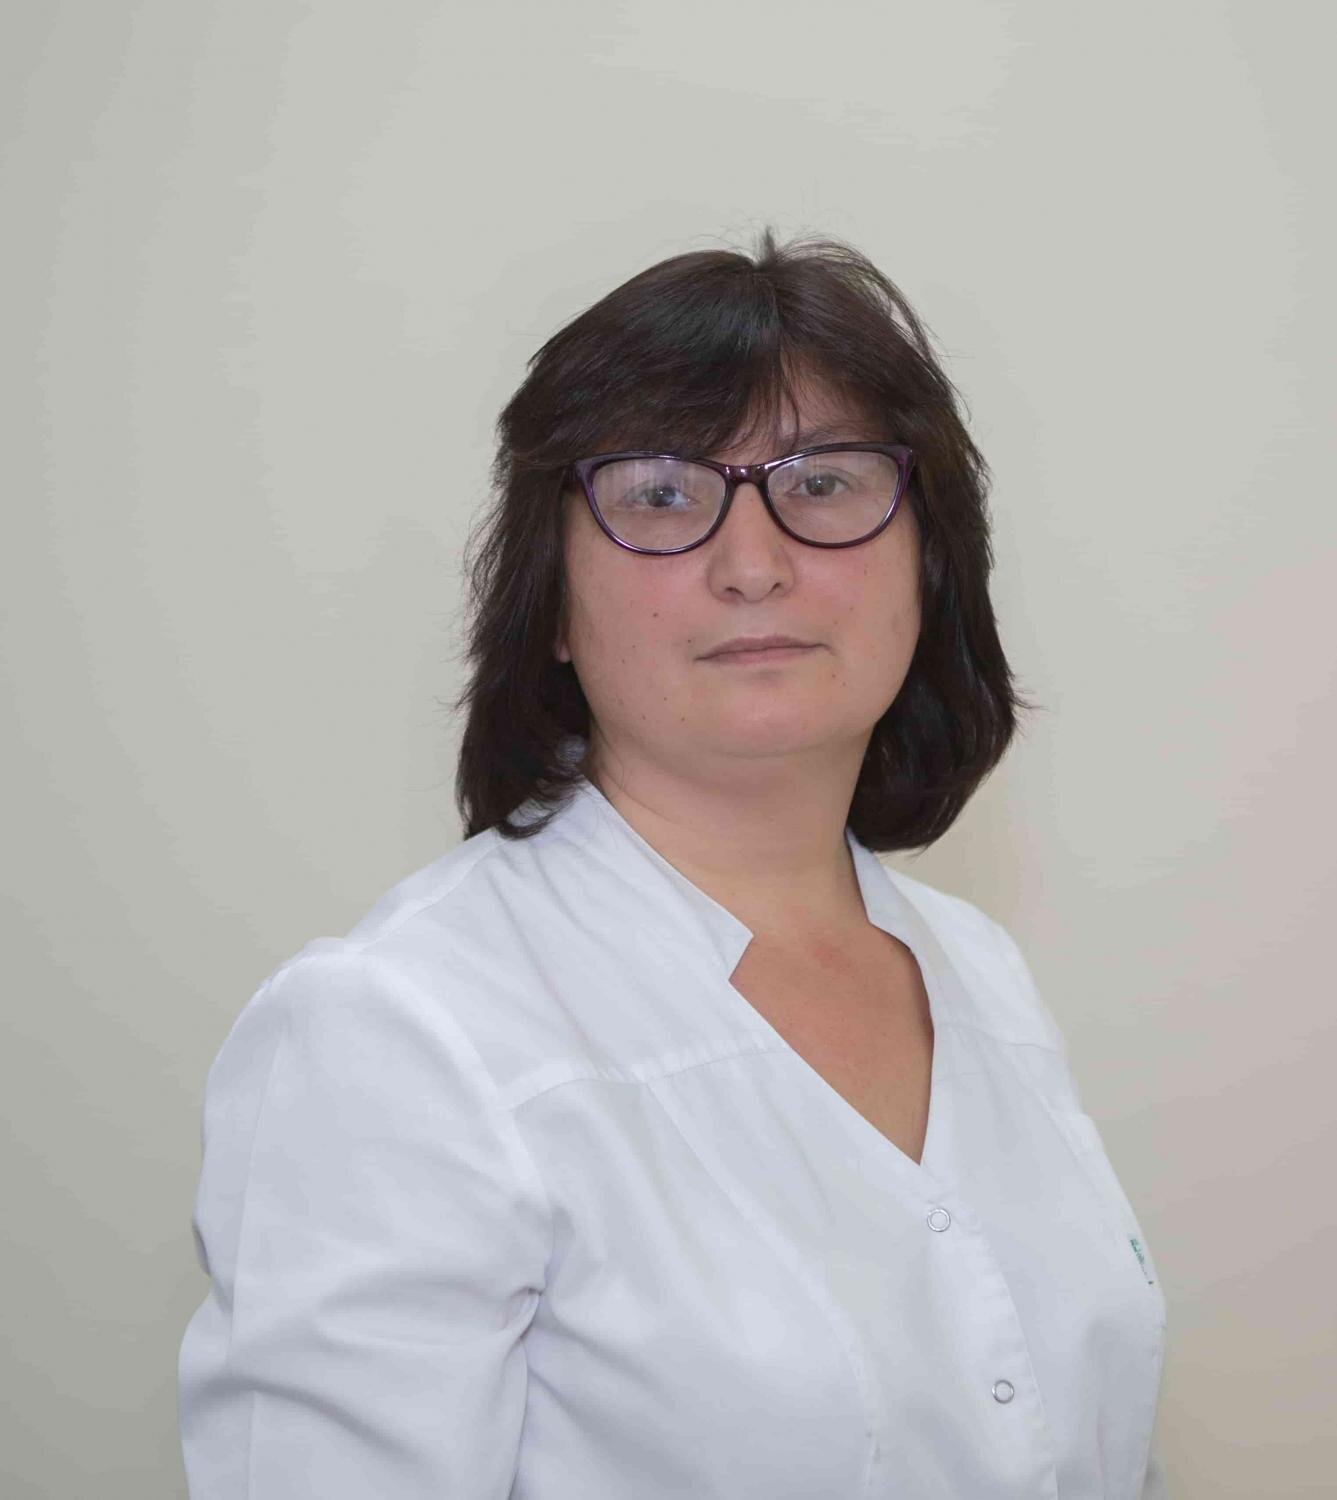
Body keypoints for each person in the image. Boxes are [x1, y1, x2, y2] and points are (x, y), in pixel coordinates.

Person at [177, 228, 1168, 1498]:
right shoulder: (398, 1029)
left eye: (823, 482)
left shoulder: (980, 973)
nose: (753, 565)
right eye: (659, 494)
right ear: (550, 598)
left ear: (930, 564)